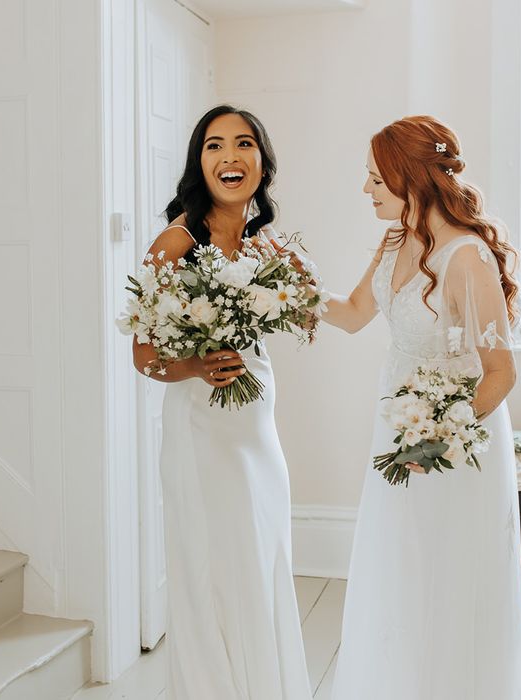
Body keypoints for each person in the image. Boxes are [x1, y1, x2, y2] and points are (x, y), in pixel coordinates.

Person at [322, 115, 521, 700]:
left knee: (447, 574)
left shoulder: (466, 258)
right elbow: (349, 314)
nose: (365, 189)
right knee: (400, 569)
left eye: (374, 178)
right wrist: (280, 287)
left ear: (410, 176)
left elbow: (501, 373)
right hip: (396, 431)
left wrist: (437, 439)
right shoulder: (396, 239)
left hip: (451, 444)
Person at [132, 104, 312, 700]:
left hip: (257, 433)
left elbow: (311, 308)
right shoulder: (175, 242)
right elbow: (144, 357)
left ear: (263, 161)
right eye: (214, 145)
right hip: (203, 435)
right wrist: (196, 365)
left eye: (243, 144)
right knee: (213, 571)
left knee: (261, 561)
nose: (229, 157)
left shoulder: (265, 245)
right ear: (198, 161)